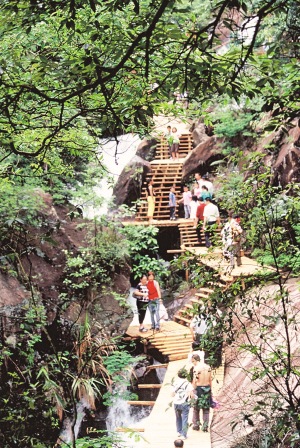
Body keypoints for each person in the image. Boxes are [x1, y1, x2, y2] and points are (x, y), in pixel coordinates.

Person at [172, 368, 195, 440]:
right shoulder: (188, 383)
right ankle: (184, 435)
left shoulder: (175, 382)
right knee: (185, 418)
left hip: (176, 403)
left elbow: (172, 394)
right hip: (184, 403)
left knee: (178, 417)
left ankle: (179, 432)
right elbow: (191, 394)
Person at [191, 354, 212, 432]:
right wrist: (211, 390)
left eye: (193, 361)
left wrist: (192, 390)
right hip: (207, 388)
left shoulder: (196, 368)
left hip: (199, 388)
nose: (193, 363)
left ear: (195, 360)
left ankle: (196, 425)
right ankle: (205, 426)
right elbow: (210, 380)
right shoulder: (208, 367)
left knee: (196, 408)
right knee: (206, 409)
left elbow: (195, 380)